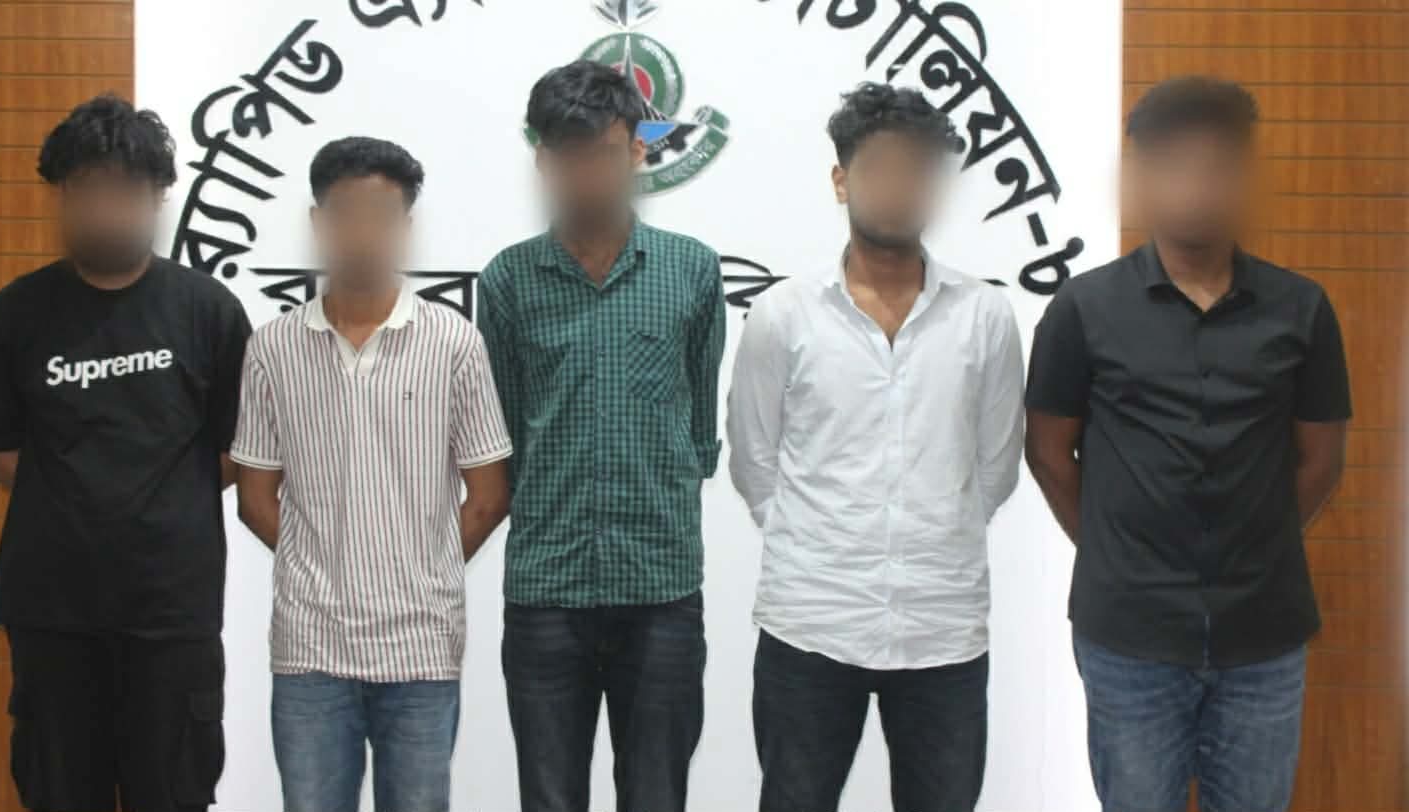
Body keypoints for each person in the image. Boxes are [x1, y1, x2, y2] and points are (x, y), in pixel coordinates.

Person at [1025, 76, 1351, 812]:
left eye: (1216, 167)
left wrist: (1257, 542)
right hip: (1128, 636)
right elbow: (1047, 451)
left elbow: (1322, 460)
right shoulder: (1084, 307)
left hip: (1263, 632)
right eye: (1176, 167)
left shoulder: (1301, 308)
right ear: (1143, 179)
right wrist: (1116, 550)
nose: (1197, 188)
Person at [0, 95, 251, 812]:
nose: (106, 209)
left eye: (126, 190)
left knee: (172, 794)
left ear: (157, 196)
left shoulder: (208, 311)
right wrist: (76, 501)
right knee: (58, 792)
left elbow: (238, 451)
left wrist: (158, 506)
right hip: (52, 611)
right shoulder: (16, 312)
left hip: (171, 614)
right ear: (62, 195)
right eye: (88, 189)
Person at [726, 82, 1024, 812]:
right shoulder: (784, 314)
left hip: (942, 628)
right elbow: (754, 457)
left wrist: (935, 531)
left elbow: (996, 464)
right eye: (881, 168)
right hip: (812, 622)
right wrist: (815, 540)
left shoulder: (985, 315)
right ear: (842, 180)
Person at [232, 137, 512, 812]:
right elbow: (254, 497)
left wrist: (419, 568)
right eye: (346, 213)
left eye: (382, 215)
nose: (363, 232)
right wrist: (323, 564)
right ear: (318, 221)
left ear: (405, 226)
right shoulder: (272, 348)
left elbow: (489, 495)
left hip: (420, 647)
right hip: (310, 650)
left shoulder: (453, 342)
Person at [477, 59, 726, 812]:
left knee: (656, 795)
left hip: (661, 589)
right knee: (549, 798)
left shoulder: (691, 269)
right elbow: (504, 435)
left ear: (638, 151)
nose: (587, 175)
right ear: (544, 161)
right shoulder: (507, 280)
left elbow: (699, 430)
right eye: (569, 156)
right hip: (547, 592)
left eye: (605, 154)